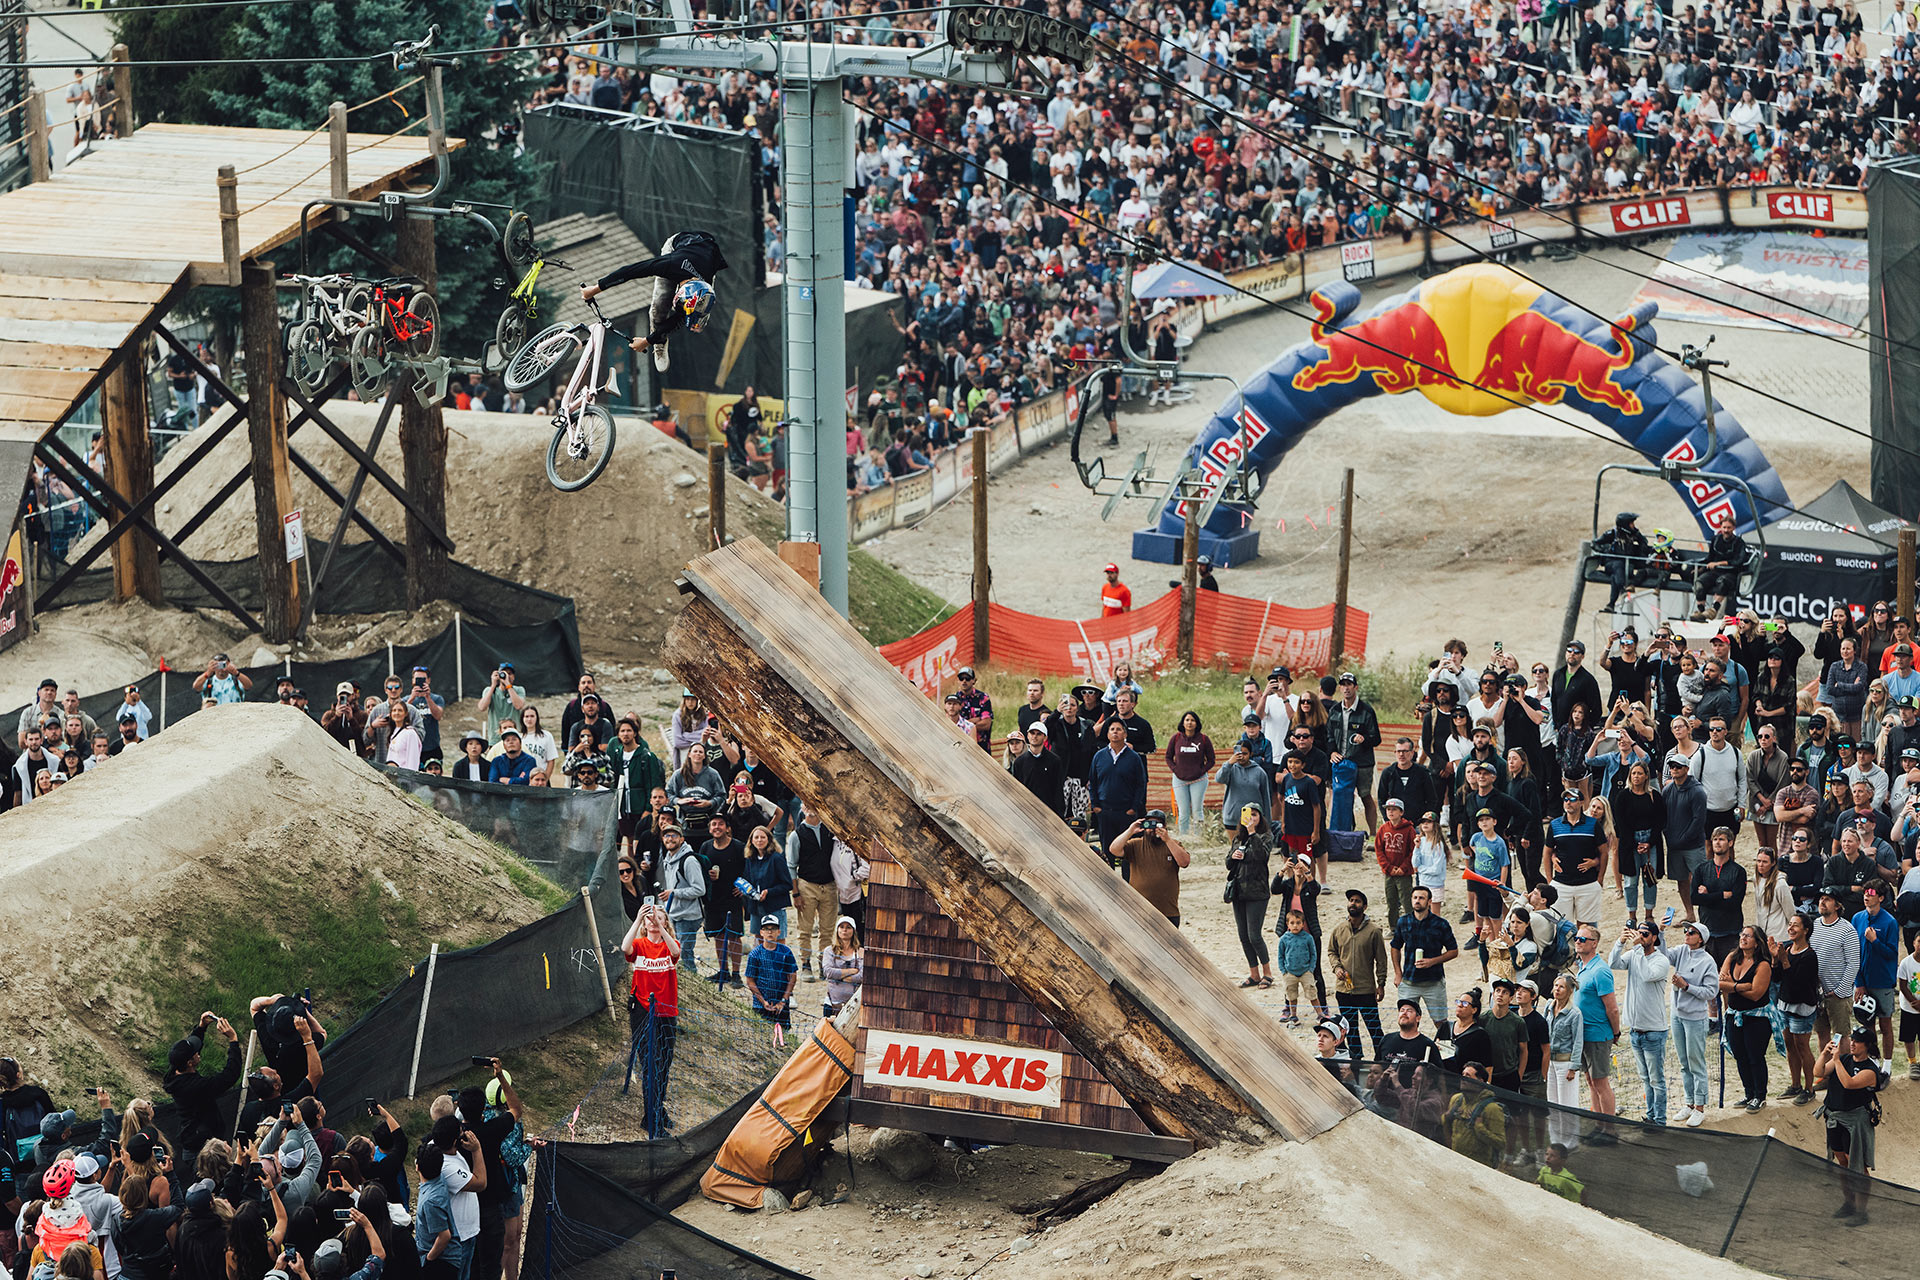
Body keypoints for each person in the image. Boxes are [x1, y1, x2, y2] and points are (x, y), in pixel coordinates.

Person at [578, 230, 725, 372]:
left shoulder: (703, 288)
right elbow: (630, 271)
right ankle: (660, 343)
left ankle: (663, 335)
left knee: (698, 313)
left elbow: (678, 319)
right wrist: (595, 289)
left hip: (706, 259)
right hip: (676, 246)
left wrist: (646, 340)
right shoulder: (669, 264)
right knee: (660, 304)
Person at [1816, 1024, 1886, 1226]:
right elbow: (1817, 1072)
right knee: (1842, 1161)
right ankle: (1849, 1203)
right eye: (1852, 1040)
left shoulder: (1870, 1070)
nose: (1852, 1044)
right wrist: (1823, 1054)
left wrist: (1836, 1060)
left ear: (1867, 1046)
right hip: (1835, 1118)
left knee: (1858, 1166)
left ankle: (1861, 1211)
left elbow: (1849, 1083)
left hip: (1855, 1122)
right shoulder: (1845, 1059)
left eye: (1857, 1041)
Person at [620, 903, 679, 1136]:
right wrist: (638, 919)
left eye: (659, 918)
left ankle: (656, 1109)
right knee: (650, 1065)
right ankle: (652, 1119)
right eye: (650, 919)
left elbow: (675, 953)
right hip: (644, 1011)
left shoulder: (669, 945)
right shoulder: (639, 945)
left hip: (667, 1012)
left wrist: (660, 924)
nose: (653, 922)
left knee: (664, 1063)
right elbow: (625, 947)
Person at [1608, 920, 1673, 1126]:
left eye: (1645, 934)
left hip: (1654, 1030)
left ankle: (1660, 1120)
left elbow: (1647, 975)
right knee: (1645, 1079)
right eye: (1640, 933)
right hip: (1636, 1030)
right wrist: (1620, 941)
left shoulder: (1660, 960)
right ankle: (1651, 1116)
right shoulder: (1635, 955)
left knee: (1657, 1080)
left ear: (1654, 938)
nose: (1641, 936)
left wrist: (1636, 947)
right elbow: (1614, 963)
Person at [163, 1012, 241, 1160]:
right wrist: (233, 1040)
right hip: (204, 1151)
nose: (199, 1053)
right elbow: (230, 1076)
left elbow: (188, 1050)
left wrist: (201, 1026)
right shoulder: (196, 1087)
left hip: (194, 1142)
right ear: (190, 1063)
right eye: (196, 1053)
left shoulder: (174, 1073)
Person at [1571, 925, 1621, 1141]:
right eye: (1577, 937)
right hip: (1584, 1034)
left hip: (1598, 1033)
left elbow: (1612, 1007)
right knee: (1591, 1081)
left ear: (1594, 943)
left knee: (1600, 1082)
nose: (1578, 941)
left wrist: (1616, 1032)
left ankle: (1609, 1130)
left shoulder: (1600, 970)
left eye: (1583, 938)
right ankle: (1599, 1125)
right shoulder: (1583, 967)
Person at [1720, 925, 1775, 1113]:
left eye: (1748, 936)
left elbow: (1756, 994)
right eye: (1742, 934)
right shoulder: (1732, 957)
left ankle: (1760, 1095)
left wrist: (1731, 985)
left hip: (1756, 1018)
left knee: (1755, 1056)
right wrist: (1741, 986)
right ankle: (1748, 1093)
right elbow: (1719, 983)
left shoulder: (1763, 965)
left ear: (1757, 942)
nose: (1743, 938)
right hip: (1734, 1015)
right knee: (1740, 1056)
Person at [1391, 885, 1458, 1038]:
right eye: (1415, 898)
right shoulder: (1403, 921)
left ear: (1429, 901)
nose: (1417, 901)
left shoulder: (1441, 924)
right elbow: (1395, 947)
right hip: (1408, 982)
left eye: (1421, 898)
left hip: (1433, 982)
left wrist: (1433, 961)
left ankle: (1446, 1054)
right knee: (1407, 1022)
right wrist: (1397, 973)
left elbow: (1454, 951)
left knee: (1441, 1024)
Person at [1773, 911, 1822, 1103]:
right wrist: (1774, 959)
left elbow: (1798, 983)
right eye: (1790, 924)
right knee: (1789, 1044)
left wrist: (1784, 961)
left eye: (1795, 925)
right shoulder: (1786, 948)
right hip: (1784, 1003)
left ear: (1805, 930)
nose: (1790, 928)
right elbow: (1777, 979)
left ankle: (1809, 1089)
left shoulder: (1810, 956)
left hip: (1802, 1006)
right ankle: (1795, 1085)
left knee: (1802, 1046)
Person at [1110, 812, 1190, 926]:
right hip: (1139, 910)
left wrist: (1167, 840)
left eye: (1157, 825)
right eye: (1149, 825)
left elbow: (1184, 862)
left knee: (1167, 944)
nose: (1152, 829)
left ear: (1164, 826)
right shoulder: (1135, 845)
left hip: (1168, 911)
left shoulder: (1173, 844)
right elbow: (1114, 850)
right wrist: (1130, 831)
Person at [1543, 789, 1609, 927]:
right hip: (1561, 883)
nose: (1568, 803)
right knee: (1562, 926)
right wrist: (1550, 880)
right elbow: (1547, 852)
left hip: (1588, 883)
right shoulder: (1555, 825)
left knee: (1585, 927)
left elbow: (1604, 852)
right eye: (1566, 800)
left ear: (1581, 803)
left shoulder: (1593, 824)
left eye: (1572, 799)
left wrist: (1600, 879)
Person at [1226, 805, 1274, 989]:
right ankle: (1254, 974)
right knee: (1243, 935)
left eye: (1255, 815)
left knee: (1255, 935)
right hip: (1239, 892)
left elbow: (1262, 856)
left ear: (1260, 818)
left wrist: (1253, 833)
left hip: (1257, 892)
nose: (1250, 818)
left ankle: (1267, 973)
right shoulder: (1238, 838)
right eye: (1248, 815)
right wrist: (1235, 856)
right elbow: (1228, 863)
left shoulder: (1265, 836)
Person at [1090, 718, 1146, 870]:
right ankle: (1110, 887)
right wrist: (1095, 806)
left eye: (1119, 729)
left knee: (1128, 851)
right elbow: (1093, 782)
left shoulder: (1134, 758)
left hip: (1126, 812)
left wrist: (1134, 808)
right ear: (1107, 734)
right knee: (1108, 850)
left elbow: (1140, 785)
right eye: (1112, 729)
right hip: (1105, 811)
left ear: (1125, 734)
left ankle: (1128, 884)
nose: (1115, 732)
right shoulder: (1099, 756)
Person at [742, 916, 798, 1041]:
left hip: (781, 1004)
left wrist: (783, 1000)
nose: (769, 932)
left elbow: (792, 977)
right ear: (761, 932)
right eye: (766, 929)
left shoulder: (786, 952)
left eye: (773, 929)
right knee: (761, 1037)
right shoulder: (755, 954)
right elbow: (750, 981)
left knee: (784, 1037)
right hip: (760, 1005)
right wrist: (763, 1001)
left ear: (779, 932)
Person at [1441, 1062, 1506, 1168]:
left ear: (1480, 1082)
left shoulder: (1492, 1108)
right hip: (1455, 1161)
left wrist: (1480, 1128)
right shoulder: (1456, 1100)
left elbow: (1501, 1143)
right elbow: (1447, 1127)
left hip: (1479, 1167)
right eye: (1463, 1075)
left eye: (1468, 1076)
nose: (1463, 1078)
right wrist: (1446, 1117)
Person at [1545, 973, 1584, 1149]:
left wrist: (1573, 1067)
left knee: (1566, 1104)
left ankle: (1570, 1142)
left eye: (1561, 987)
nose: (1557, 990)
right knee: (1552, 1103)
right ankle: (1555, 1140)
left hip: (1565, 1063)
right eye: (1555, 986)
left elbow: (1578, 1041)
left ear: (1569, 991)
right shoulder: (1548, 1006)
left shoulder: (1574, 1013)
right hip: (1550, 1063)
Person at [1164, 711, 1215, 834]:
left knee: (1197, 810)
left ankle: (1199, 837)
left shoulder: (1203, 739)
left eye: (1192, 720)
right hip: (1179, 779)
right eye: (1187, 720)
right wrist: (1175, 770)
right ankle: (1184, 837)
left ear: (1196, 723)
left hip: (1199, 780)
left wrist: (1201, 771)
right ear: (1183, 723)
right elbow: (1168, 757)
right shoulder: (1176, 738)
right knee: (1183, 811)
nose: (1189, 723)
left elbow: (1211, 760)